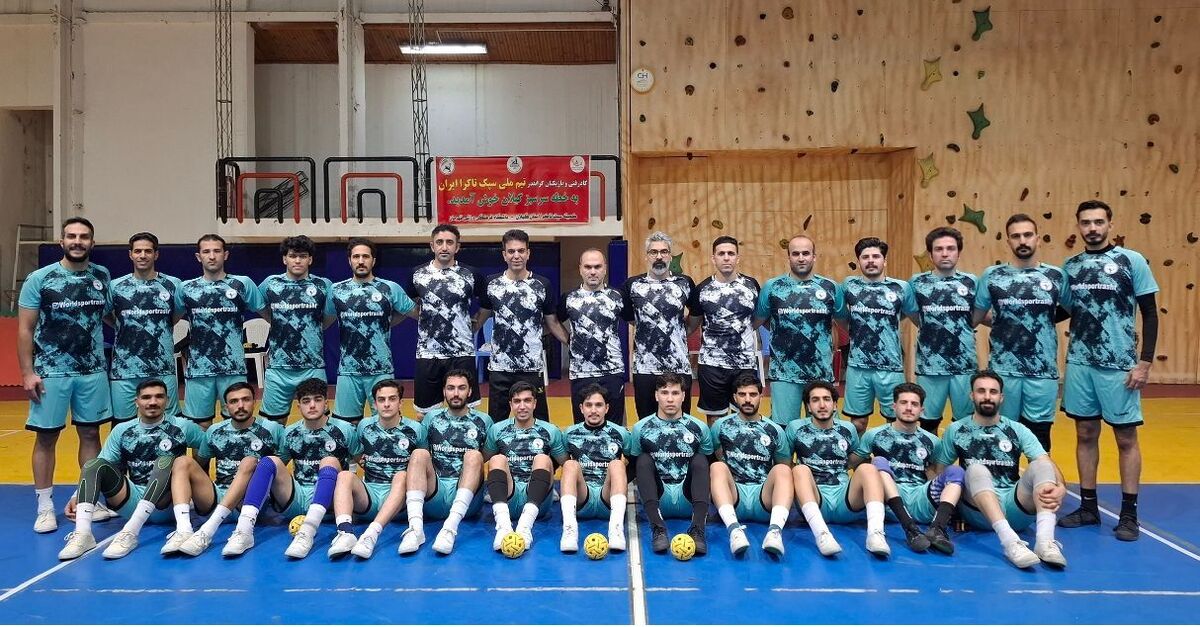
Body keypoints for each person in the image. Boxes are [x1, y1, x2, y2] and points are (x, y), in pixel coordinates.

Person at [1059, 200, 1159, 541]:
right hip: (1080, 363)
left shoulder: (1131, 261)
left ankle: (1129, 514)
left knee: (1126, 437)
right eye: (1086, 222)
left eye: (1099, 222)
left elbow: (1150, 312)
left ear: (1110, 225)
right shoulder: (1071, 267)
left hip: (1119, 365)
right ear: (1078, 226)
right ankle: (1089, 507)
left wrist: (1144, 362)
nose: (1092, 228)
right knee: (1085, 433)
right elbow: (1063, 311)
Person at [20, 217, 115, 533]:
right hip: (51, 372)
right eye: (71, 236)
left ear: (92, 242)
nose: (77, 241)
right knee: (46, 437)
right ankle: (45, 507)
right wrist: (27, 373)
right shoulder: (40, 279)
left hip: (92, 371)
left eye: (84, 236)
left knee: (90, 435)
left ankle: (89, 500)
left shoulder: (101, 276)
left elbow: (108, 316)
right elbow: (25, 328)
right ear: (62, 241)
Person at [933, 370, 1069, 569]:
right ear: (972, 395)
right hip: (978, 511)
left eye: (993, 392)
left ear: (1001, 397)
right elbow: (940, 472)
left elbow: (1045, 461)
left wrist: (1062, 487)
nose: (987, 396)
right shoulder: (956, 430)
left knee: (1042, 464)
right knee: (975, 469)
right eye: (981, 391)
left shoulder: (1017, 429)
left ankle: (1045, 542)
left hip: (1015, 507)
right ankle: (1010, 543)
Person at [57, 380, 205, 560]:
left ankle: (130, 532)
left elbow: (209, 446)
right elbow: (100, 467)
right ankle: (83, 534)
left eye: (159, 397)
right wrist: (77, 495)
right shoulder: (122, 430)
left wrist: (203, 483)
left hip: (167, 503)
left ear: (167, 400)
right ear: (136, 401)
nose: (153, 402)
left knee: (165, 462)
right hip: (132, 501)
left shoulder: (183, 426)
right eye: (146, 397)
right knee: (93, 464)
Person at [219, 378, 359, 558]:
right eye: (306, 401)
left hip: (330, 501)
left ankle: (306, 534)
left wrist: (349, 496)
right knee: (269, 461)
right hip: (297, 498)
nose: (312, 405)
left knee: (330, 461)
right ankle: (244, 531)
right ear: (298, 406)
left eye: (317, 400)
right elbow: (279, 468)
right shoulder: (290, 432)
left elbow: (357, 460)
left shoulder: (345, 430)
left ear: (326, 403)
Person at [973, 215, 1069, 451]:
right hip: (1003, 370)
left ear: (1038, 238)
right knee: (1002, 436)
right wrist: (1005, 321)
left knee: (1040, 437)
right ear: (1008, 241)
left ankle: (1039, 476)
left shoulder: (1055, 276)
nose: (1022, 240)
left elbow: (1071, 308)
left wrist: (1039, 321)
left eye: (1027, 235)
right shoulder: (992, 275)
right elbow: (975, 315)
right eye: (1016, 236)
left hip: (1042, 371)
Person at [171, 382, 285, 556]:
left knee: (249, 461)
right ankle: (183, 530)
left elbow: (279, 467)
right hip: (216, 498)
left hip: (249, 502)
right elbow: (200, 464)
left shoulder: (273, 429)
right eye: (234, 401)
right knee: (182, 461)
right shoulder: (215, 431)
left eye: (246, 399)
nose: (240, 405)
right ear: (226, 407)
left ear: (254, 402)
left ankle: (207, 531)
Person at [855, 382, 964, 554]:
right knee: (879, 461)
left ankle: (937, 529)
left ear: (921, 409)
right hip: (888, 502)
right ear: (894, 406)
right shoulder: (874, 435)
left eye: (914, 404)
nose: (908, 408)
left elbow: (935, 472)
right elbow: (853, 464)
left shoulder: (933, 441)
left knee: (956, 471)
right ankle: (910, 529)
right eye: (903, 403)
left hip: (920, 498)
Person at [788, 380, 890, 557]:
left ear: (835, 405)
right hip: (814, 498)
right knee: (799, 470)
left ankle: (876, 534)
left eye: (827, 399)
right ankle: (822, 535)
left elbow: (852, 461)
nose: (822, 405)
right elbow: (785, 463)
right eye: (815, 400)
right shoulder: (795, 428)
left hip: (845, 500)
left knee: (868, 469)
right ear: (808, 407)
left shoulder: (848, 428)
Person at [325, 379, 426, 558]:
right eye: (381, 399)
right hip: (369, 497)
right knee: (345, 475)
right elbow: (357, 454)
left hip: (400, 501)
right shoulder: (364, 426)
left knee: (402, 476)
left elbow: (422, 465)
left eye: (392, 399)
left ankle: (371, 535)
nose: (386, 404)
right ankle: (345, 532)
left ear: (401, 402)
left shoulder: (415, 429)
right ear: (374, 404)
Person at [396, 369, 491, 555]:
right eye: (451, 388)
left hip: (468, 501)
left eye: (461, 388)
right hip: (434, 495)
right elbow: (422, 457)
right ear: (444, 391)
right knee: (419, 454)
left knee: (474, 456)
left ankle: (449, 529)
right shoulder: (431, 418)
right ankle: (415, 529)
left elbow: (486, 456)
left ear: (470, 392)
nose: (456, 393)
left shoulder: (483, 421)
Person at [477, 229, 564, 422]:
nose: (516, 256)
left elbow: (553, 322)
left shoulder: (542, 284)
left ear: (528, 253)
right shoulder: (491, 284)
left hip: (531, 367)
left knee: (539, 423)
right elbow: (480, 318)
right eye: (511, 251)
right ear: (504, 255)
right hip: (500, 367)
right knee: (496, 424)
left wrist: (573, 343)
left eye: (521, 251)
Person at [179, 234, 265, 429]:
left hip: (233, 368)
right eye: (206, 251)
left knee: (236, 424)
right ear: (198, 256)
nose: (212, 256)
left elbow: (268, 314)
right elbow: (172, 319)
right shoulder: (186, 288)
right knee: (199, 426)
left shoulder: (242, 284)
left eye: (217, 251)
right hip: (199, 370)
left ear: (225, 255)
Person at [754, 235, 841, 426]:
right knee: (784, 430)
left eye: (806, 253)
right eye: (795, 254)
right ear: (789, 257)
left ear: (814, 256)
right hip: (784, 374)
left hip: (820, 373)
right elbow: (757, 321)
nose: (801, 258)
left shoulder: (831, 287)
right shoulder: (773, 287)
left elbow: (845, 324)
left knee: (824, 428)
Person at [330, 238, 416, 424]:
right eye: (356, 257)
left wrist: (387, 322)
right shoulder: (336, 290)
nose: (361, 261)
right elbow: (323, 321)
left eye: (365, 256)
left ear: (373, 260)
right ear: (349, 260)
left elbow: (415, 312)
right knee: (346, 426)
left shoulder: (390, 288)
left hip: (381, 369)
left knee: (384, 424)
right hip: (348, 370)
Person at [405, 224, 487, 418]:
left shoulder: (471, 274)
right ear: (432, 246)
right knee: (424, 415)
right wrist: (427, 318)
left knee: (466, 411)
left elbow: (486, 306)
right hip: (428, 353)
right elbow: (410, 305)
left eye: (449, 242)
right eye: (439, 242)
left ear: (457, 247)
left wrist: (476, 325)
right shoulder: (417, 274)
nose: (444, 247)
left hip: (461, 352)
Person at [903, 227, 978, 433]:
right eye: (939, 249)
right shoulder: (917, 283)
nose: (945, 254)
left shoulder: (971, 282)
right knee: (928, 425)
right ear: (930, 254)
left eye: (950, 248)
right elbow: (914, 314)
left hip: (964, 366)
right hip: (930, 366)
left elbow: (979, 314)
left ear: (958, 252)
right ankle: (931, 456)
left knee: (966, 424)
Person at [628, 373, 713, 555]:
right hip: (657, 499)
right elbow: (634, 466)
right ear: (656, 395)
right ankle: (657, 528)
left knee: (700, 459)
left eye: (675, 393)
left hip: (689, 499)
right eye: (664, 393)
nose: (670, 399)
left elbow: (709, 465)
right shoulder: (640, 428)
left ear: (683, 396)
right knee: (643, 460)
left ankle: (698, 529)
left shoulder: (699, 428)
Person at [709, 374, 792, 556]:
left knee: (783, 470)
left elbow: (784, 464)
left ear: (761, 396)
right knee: (717, 467)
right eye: (742, 394)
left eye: (753, 394)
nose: (747, 399)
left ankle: (775, 532)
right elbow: (716, 453)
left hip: (764, 499)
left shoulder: (775, 430)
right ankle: (734, 531)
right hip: (733, 498)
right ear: (734, 397)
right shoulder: (720, 426)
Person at [256, 236, 335, 425]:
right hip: (278, 368)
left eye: (303, 256)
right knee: (272, 426)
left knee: (320, 424)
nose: (297, 260)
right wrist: (276, 321)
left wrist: (313, 328)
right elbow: (262, 308)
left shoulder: (323, 285)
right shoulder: (270, 283)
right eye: (292, 256)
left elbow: (328, 318)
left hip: (312, 367)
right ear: (285, 259)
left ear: (310, 259)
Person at [107, 231, 184, 422]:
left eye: (148, 251)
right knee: (123, 426)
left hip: (162, 368)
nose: (142, 255)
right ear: (130, 254)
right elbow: (105, 314)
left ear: (156, 254)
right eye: (138, 251)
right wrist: (121, 325)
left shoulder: (173, 284)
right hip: (124, 370)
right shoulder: (115, 286)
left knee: (169, 425)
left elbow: (175, 316)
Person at [483, 382, 569, 551]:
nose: (522, 406)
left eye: (527, 400)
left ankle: (525, 527)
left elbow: (567, 464)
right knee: (497, 459)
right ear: (510, 404)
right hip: (508, 497)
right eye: (517, 401)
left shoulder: (550, 431)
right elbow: (481, 460)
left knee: (543, 459)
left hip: (538, 503)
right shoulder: (497, 429)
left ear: (535, 403)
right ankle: (503, 528)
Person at [621, 232, 696, 421]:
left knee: (681, 422)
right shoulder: (632, 285)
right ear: (646, 256)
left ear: (670, 255)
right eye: (653, 252)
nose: (659, 256)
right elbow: (631, 318)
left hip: (678, 366)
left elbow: (696, 316)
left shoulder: (684, 283)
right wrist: (651, 328)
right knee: (647, 422)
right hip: (645, 368)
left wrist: (679, 333)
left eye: (664, 252)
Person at [837, 237, 908, 435]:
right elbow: (841, 317)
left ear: (884, 261)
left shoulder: (901, 287)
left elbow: (907, 315)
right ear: (859, 261)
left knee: (897, 421)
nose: (870, 261)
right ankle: (859, 457)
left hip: (891, 366)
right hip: (858, 366)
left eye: (876, 256)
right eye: (865, 257)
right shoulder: (848, 286)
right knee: (858, 423)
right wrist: (854, 330)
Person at [687, 236, 761, 422]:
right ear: (713, 258)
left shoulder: (751, 286)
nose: (726, 258)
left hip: (744, 364)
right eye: (721, 254)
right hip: (712, 365)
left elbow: (759, 319)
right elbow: (691, 325)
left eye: (731, 253)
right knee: (715, 420)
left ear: (738, 258)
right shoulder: (702, 289)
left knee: (745, 417)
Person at [557, 249, 628, 424]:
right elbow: (553, 322)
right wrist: (570, 341)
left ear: (605, 268)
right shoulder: (569, 298)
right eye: (588, 267)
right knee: (583, 425)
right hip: (581, 372)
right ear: (580, 269)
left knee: (614, 425)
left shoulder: (618, 296)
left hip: (612, 371)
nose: (593, 271)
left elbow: (636, 321)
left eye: (597, 267)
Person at [559, 384, 631, 552]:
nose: (593, 410)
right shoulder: (569, 433)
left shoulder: (621, 433)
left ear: (607, 408)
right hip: (582, 499)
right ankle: (569, 530)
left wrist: (619, 483)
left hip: (608, 498)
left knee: (617, 464)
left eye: (598, 405)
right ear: (581, 408)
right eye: (588, 405)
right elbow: (562, 462)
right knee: (570, 464)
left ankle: (616, 529)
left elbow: (632, 460)